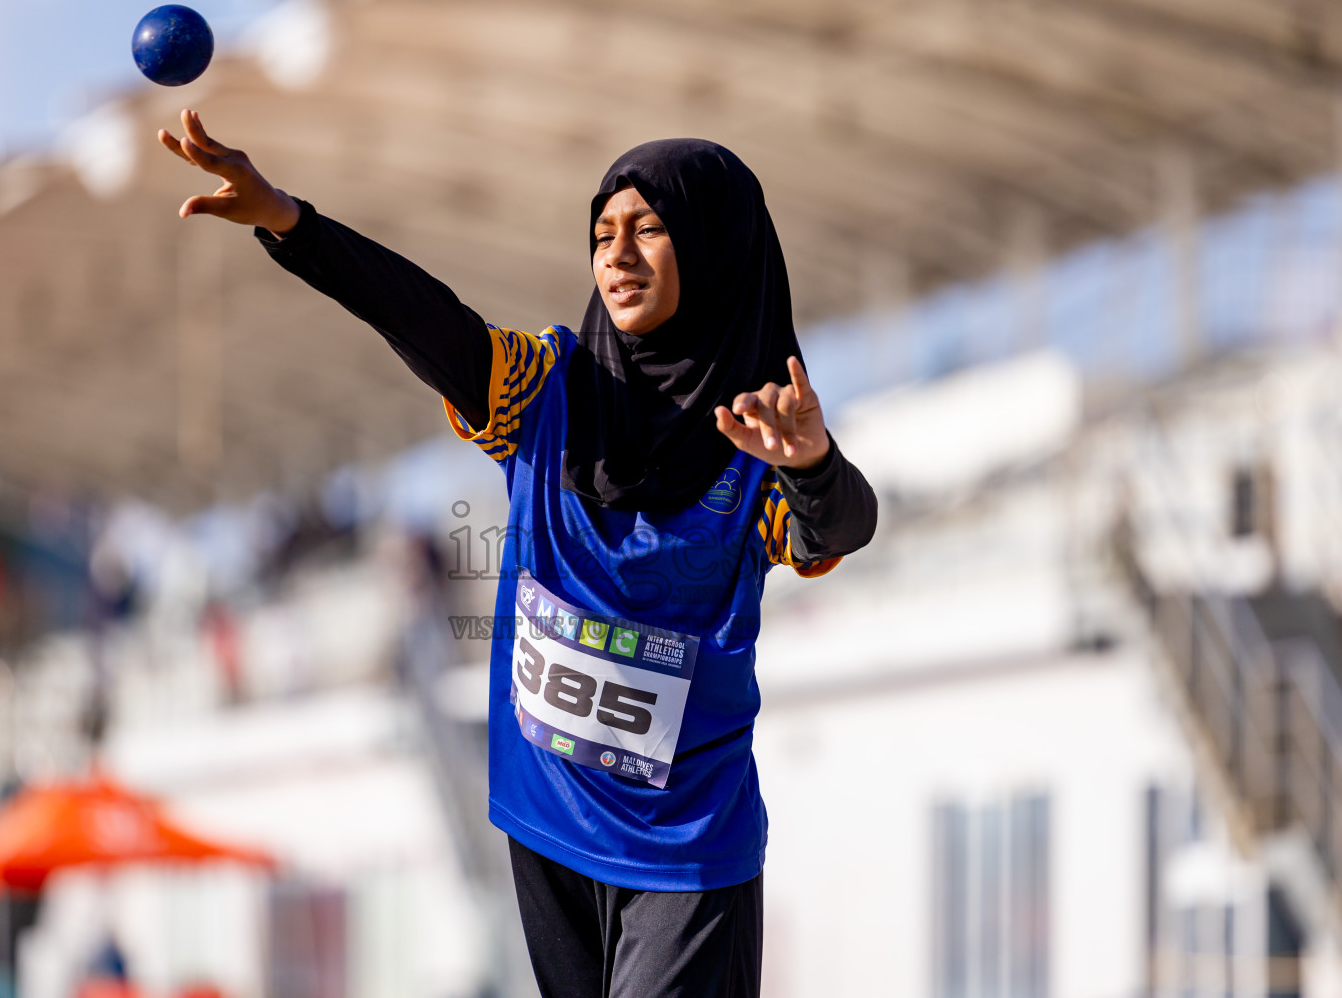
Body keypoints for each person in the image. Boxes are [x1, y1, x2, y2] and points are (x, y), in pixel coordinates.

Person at [158, 110, 878, 998]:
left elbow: (841, 529)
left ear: (715, 245)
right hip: (548, 829)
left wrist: (813, 463)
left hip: (688, 854)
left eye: (650, 228)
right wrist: (288, 223)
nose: (617, 254)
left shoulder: (758, 441)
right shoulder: (543, 390)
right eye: (602, 233)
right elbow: (429, 322)